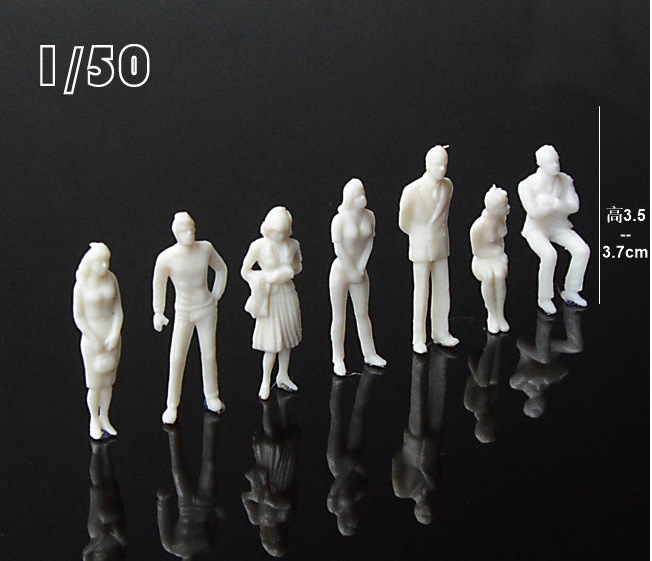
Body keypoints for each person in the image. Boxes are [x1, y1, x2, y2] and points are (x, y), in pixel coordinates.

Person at [153, 212, 228, 424]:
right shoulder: (166, 258)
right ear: (175, 233)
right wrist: (158, 311)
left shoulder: (205, 248)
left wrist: (216, 295)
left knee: (209, 354)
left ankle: (212, 395)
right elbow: (159, 285)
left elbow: (221, 269)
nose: (189, 234)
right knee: (177, 357)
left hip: (206, 309)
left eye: (192, 229)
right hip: (183, 312)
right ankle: (171, 404)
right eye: (184, 231)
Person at [399, 145, 458, 353]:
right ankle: (418, 337)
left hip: (441, 244)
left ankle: (441, 332)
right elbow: (404, 222)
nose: (441, 169)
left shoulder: (448, 186)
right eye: (437, 165)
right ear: (427, 165)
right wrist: (419, 234)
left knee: (443, 288)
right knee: (421, 292)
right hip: (421, 245)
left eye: (444, 165)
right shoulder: (412, 190)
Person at [518, 145, 590, 315]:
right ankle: (544, 298)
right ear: (540, 163)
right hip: (536, 229)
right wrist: (554, 206)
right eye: (550, 162)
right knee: (549, 255)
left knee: (582, 250)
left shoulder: (565, 180)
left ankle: (571, 291)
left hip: (559, 226)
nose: (556, 165)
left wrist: (553, 202)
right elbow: (534, 213)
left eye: (557, 161)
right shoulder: (527, 185)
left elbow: (574, 206)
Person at [241, 207, 302, 400]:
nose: (280, 236)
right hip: (269, 297)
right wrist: (268, 277)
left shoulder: (293, 245)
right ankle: (265, 380)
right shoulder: (258, 246)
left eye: (284, 232)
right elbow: (245, 271)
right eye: (276, 232)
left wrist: (291, 271)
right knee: (271, 343)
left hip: (287, 294)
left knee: (287, 340)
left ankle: (283, 375)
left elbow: (298, 265)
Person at [329, 179, 386, 376]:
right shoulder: (339, 220)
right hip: (341, 271)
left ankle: (370, 353)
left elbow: (369, 242)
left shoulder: (369, 216)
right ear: (350, 198)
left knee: (362, 314)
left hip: (360, 272)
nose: (363, 198)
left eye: (363, 193)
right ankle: (338, 358)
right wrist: (351, 269)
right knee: (339, 316)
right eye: (358, 195)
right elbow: (339, 249)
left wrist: (360, 267)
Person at [73, 242, 123, 440]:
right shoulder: (81, 286)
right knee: (95, 384)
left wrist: (115, 333)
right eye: (100, 262)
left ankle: (105, 417)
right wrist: (93, 338)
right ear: (90, 263)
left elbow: (118, 309)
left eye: (107, 261)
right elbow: (79, 316)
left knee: (108, 382)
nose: (105, 266)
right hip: (92, 339)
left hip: (111, 337)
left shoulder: (111, 279)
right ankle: (94, 419)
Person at [470, 185, 510, 333]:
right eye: (504, 206)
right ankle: (491, 315)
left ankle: (500, 314)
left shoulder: (501, 220)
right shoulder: (478, 227)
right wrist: (495, 252)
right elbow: (477, 251)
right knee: (488, 277)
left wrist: (501, 255)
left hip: (497, 257)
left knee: (499, 276)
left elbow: (500, 243)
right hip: (482, 260)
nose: (508, 208)